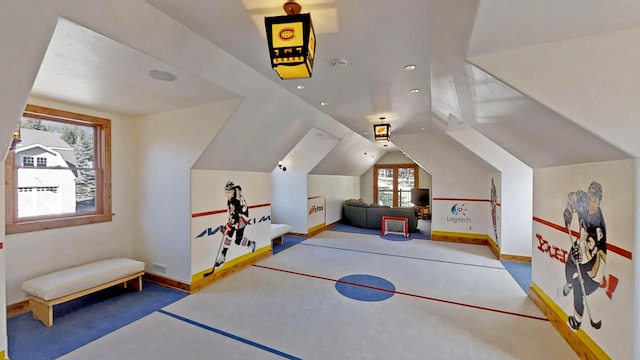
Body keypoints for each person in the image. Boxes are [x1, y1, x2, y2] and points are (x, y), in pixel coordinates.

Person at [562, 181, 607, 330]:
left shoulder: (598, 227)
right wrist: (568, 210)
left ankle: (576, 322)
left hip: (594, 268)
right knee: (569, 264)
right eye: (590, 199)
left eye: (595, 200)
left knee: (578, 286)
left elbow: (595, 258)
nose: (591, 203)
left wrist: (580, 261)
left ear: (599, 201)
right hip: (582, 246)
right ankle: (568, 284)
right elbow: (572, 197)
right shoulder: (584, 202)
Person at [209, 181, 255, 273]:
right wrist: (229, 224)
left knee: (238, 241)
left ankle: (250, 243)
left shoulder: (235, 200)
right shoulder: (231, 199)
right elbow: (231, 213)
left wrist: (230, 225)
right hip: (236, 217)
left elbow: (237, 214)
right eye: (226, 192)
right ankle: (223, 256)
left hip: (242, 219)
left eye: (229, 192)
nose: (227, 194)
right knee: (229, 235)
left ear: (233, 191)